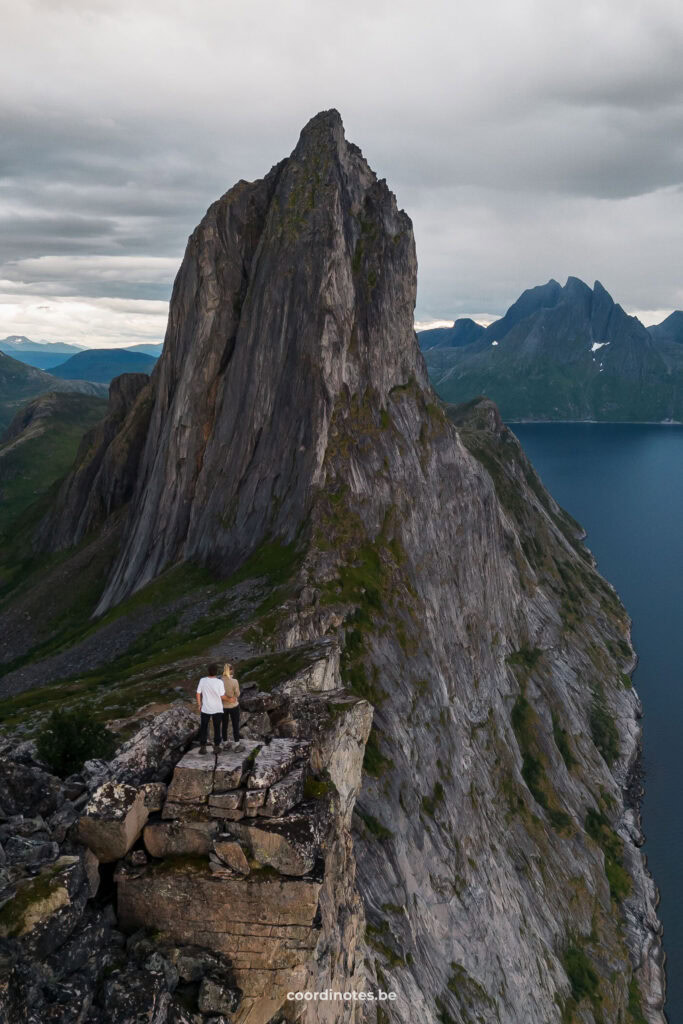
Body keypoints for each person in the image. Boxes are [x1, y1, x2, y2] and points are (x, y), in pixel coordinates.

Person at [196, 663, 225, 754]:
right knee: (217, 728)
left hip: (205, 709)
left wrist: (199, 704)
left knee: (204, 727)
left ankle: (203, 748)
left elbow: (198, 693)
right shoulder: (220, 682)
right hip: (217, 709)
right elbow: (222, 696)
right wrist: (231, 699)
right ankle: (216, 747)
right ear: (216, 672)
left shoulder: (202, 680)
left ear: (208, 671)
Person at [221, 662, 241, 746]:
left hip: (223, 706)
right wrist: (234, 697)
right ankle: (237, 743)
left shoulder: (220, 681)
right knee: (235, 724)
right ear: (231, 670)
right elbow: (237, 694)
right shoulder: (234, 681)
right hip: (233, 706)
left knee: (224, 725)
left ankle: (225, 742)